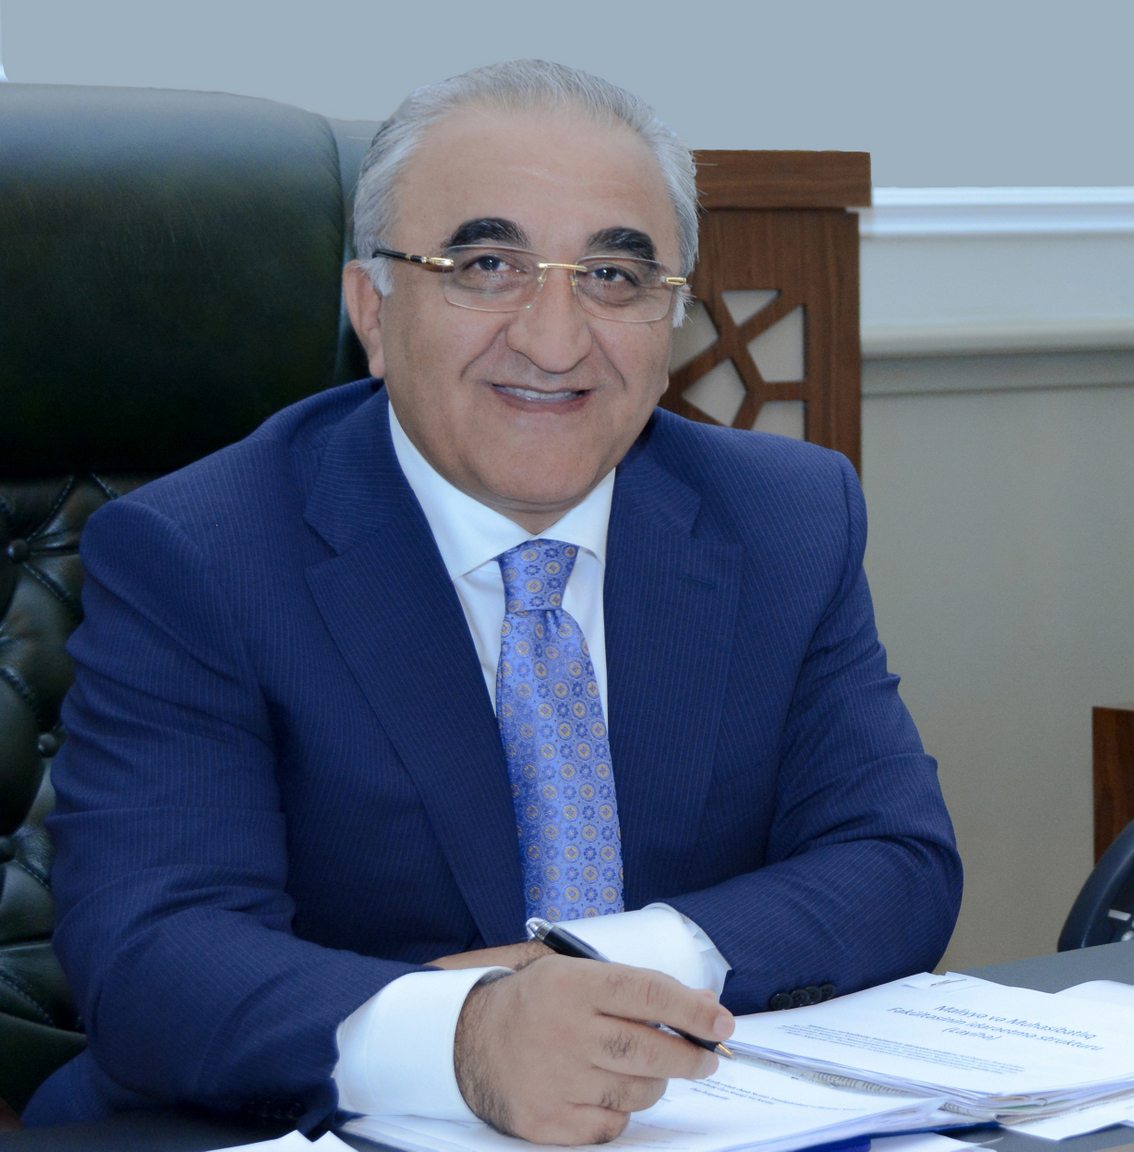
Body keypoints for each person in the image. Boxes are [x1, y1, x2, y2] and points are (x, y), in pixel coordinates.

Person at [26, 61, 961, 1142]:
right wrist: (468, 1036)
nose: (555, 340)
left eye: (613, 276)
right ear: (373, 311)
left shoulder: (786, 517)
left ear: (671, 321)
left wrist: (596, 976)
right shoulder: (199, 555)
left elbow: (894, 862)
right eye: (486, 266)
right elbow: (152, 957)